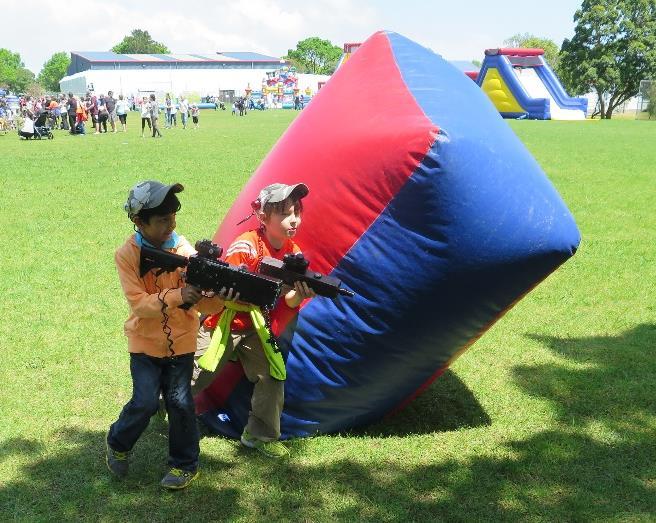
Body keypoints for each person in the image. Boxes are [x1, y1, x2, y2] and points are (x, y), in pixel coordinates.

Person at [107, 181, 232, 489]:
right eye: (162, 219)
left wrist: (223, 297)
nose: (171, 224)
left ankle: (185, 464)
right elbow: (139, 305)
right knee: (146, 402)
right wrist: (179, 294)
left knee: (180, 403)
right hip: (144, 343)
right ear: (139, 221)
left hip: (182, 343)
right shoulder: (127, 254)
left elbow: (205, 303)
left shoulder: (185, 251)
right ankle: (117, 442)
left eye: (173, 216)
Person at [194, 183, 315, 458]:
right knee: (195, 375)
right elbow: (221, 289)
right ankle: (162, 404)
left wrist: (301, 293)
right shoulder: (245, 246)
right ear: (263, 217)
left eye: (296, 212)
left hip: (254, 326)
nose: (293, 219)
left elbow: (289, 303)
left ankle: (259, 435)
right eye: (284, 213)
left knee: (272, 375)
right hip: (222, 321)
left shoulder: (292, 252)